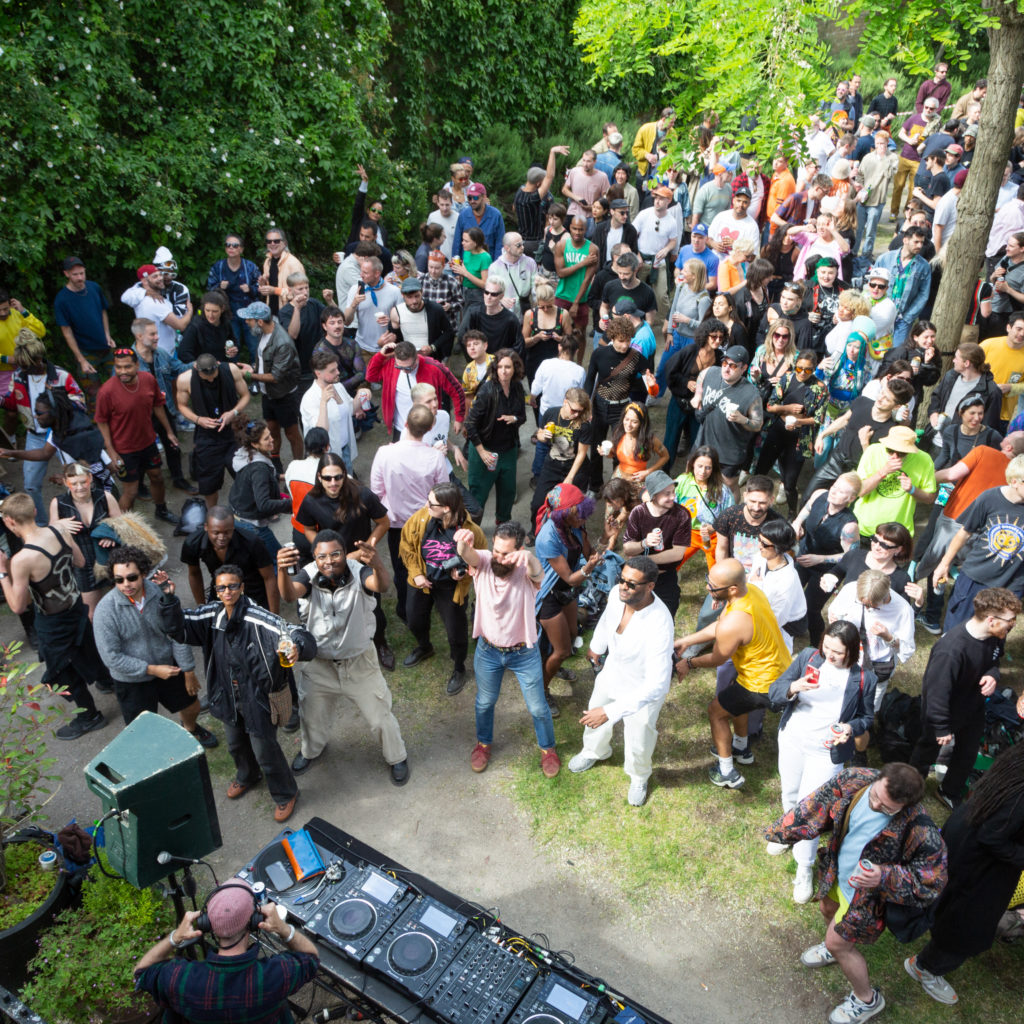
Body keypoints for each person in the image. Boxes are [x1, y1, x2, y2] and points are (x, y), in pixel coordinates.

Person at [765, 763, 946, 1024]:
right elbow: (818, 802)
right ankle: (833, 948)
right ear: (879, 777)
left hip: (866, 899)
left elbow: (932, 881)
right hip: (837, 872)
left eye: (887, 808)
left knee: (840, 943)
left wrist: (883, 876)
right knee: (826, 909)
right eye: (875, 796)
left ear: (906, 805)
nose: (875, 806)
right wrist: (783, 831)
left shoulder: (921, 830)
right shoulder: (856, 779)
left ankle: (866, 1000)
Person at [161, 562, 313, 822]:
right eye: (221, 588)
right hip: (227, 695)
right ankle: (247, 775)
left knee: (265, 750)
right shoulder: (213, 615)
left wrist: (297, 646)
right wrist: (168, 598)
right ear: (216, 591)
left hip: (258, 698)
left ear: (242, 587)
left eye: (232, 586)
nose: (227, 592)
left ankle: (286, 793)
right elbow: (179, 628)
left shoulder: (258, 617)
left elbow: (296, 633)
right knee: (235, 744)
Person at [276, 532, 409, 786]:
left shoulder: (358, 571)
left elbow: (380, 586)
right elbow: (290, 595)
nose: (329, 561)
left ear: (344, 553)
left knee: (380, 716)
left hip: (359, 662)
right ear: (314, 557)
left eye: (335, 554)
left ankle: (397, 757)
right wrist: (282, 570)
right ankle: (310, 751)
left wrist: (378, 564)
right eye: (322, 556)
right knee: (312, 715)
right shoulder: (308, 574)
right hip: (319, 665)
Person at [905, 742, 1024, 1006]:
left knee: (951, 904)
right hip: (980, 860)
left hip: (967, 835)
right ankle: (924, 967)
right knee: (967, 925)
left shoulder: (1017, 763)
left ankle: (932, 935)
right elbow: (993, 835)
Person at [767, 621, 878, 904]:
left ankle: (804, 867)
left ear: (852, 651)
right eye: (826, 647)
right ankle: (788, 832)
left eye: (837, 652)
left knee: (812, 807)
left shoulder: (863, 678)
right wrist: (794, 686)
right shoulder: (808, 657)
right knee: (790, 792)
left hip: (825, 752)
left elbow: (867, 717)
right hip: (792, 738)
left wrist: (850, 728)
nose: (829, 654)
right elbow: (775, 689)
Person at [0, 492, 112, 739]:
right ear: (35, 512)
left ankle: (89, 716)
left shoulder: (21, 559)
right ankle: (107, 682)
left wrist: (2, 572)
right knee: (87, 647)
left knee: (61, 672)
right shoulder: (59, 530)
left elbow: (18, 606)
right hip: (75, 607)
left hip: (53, 621)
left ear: (9, 522)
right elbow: (81, 562)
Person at [454, 520, 561, 778]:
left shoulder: (525, 569)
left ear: (520, 548)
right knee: (484, 702)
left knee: (537, 707)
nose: (499, 558)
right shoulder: (483, 562)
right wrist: (461, 541)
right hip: (488, 651)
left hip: (524, 653)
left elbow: (538, 573)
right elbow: (466, 553)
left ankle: (548, 749)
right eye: (497, 550)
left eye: (506, 553)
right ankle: (483, 744)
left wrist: (529, 557)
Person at [567, 555, 674, 807]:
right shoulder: (618, 592)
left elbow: (657, 684)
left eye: (631, 584)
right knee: (594, 716)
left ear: (650, 587)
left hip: (642, 689)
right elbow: (606, 620)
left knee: (639, 736)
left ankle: (639, 776)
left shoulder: (660, 623)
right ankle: (595, 751)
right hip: (612, 671)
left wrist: (611, 711)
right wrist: (596, 646)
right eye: (622, 580)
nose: (624, 586)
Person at [675, 558, 790, 789]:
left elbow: (718, 657)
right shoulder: (752, 593)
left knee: (716, 712)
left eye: (713, 586)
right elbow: (721, 624)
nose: (708, 588)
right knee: (736, 703)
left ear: (732, 588)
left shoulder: (736, 621)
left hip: (761, 684)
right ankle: (741, 748)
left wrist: (689, 662)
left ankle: (727, 772)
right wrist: (688, 640)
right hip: (776, 670)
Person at [133, 879, 319, 1021]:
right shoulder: (277, 975)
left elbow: (141, 973)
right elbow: (311, 958)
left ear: (206, 924)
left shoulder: (179, 979)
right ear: (255, 922)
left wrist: (175, 937)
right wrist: (283, 929)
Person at [93, 546, 216, 747]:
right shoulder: (105, 611)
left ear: (143, 573)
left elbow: (177, 632)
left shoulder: (160, 594)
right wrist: (150, 669)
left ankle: (191, 729)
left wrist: (188, 670)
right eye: (119, 580)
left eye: (131, 577)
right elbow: (111, 657)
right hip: (132, 679)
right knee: (141, 728)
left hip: (168, 665)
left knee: (191, 706)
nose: (126, 584)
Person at [909, 586, 1018, 814]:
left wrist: (992, 675)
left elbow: (993, 663)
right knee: (926, 751)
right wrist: (941, 727)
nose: (1013, 625)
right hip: (943, 711)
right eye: (1010, 620)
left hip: (973, 707)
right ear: (991, 620)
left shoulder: (995, 636)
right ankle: (909, 791)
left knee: (967, 752)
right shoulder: (951, 650)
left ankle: (949, 791)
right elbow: (937, 691)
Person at [398, 482, 484, 697]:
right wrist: (416, 573)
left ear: (446, 508)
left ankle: (459, 667)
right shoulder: (420, 518)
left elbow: (481, 558)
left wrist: (463, 570)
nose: (425, 504)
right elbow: (406, 544)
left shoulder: (471, 531)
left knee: (456, 632)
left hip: (449, 588)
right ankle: (425, 646)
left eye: (431, 502)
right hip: (422, 582)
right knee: (414, 619)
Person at [370, 404, 449, 626]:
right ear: (430, 428)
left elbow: (376, 491)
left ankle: (405, 607)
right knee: (426, 563)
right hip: (426, 524)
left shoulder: (385, 452)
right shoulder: (435, 457)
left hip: (396, 523)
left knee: (401, 567)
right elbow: (443, 492)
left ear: (405, 423)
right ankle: (424, 604)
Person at [1, 330, 85, 523]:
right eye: (20, 365)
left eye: (26, 365)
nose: (22, 368)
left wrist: (58, 409)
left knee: (75, 481)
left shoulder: (60, 376)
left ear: (38, 359)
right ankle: (41, 525)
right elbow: (12, 403)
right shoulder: (19, 377)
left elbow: (80, 401)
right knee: (30, 485)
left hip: (63, 434)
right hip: (35, 435)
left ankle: (79, 521)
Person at [533, 484, 600, 714]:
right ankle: (541, 691)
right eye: (578, 514)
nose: (583, 518)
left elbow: (590, 555)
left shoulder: (577, 527)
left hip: (567, 592)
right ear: (565, 514)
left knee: (571, 635)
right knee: (562, 650)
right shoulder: (547, 537)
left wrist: (609, 537)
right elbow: (571, 578)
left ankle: (553, 664)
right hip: (550, 595)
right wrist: (588, 569)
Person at [95, 348, 180, 521]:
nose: (122, 372)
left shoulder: (148, 380)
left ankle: (161, 510)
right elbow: (101, 421)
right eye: (118, 367)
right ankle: (124, 527)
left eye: (127, 367)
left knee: (157, 477)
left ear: (137, 365)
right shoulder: (106, 391)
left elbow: (158, 405)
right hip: (124, 449)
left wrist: (169, 432)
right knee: (131, 491)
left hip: (148, 443)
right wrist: (111, 451)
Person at [828, 569, 916, 722]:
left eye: (873, 607)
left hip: (876, 666)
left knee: (868, 707)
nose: (868, 609)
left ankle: (862, 730)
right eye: (863, 604)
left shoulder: (902, 610)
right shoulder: (850, 590)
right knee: (840, 699)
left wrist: (888, 637)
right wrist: (835, 620)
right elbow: (834, 611)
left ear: (885, 597)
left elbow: (907, 649)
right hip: (848, 657)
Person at [583, 317, 655, 494]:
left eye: (628, 340)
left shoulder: (635, 356)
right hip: (599, 405)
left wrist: (652, 384)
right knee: (596, 447)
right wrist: (587, 405)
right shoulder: (599, 354)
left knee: (620, 449)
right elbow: (590, 379)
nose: (625, 345)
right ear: (612, 338)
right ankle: (595, 485)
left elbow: (649, 384)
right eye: (621, 341)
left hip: (621, 409)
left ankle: (616, 485)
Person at [793, 474, 862, 645]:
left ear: (851, 498)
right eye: (835, 486)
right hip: (803, 556)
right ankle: (795, 628)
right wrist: (797, 523)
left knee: (811, 608)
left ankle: (817, 645)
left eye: (841, 491)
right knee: (792, 596)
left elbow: (851, 556)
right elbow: (807, 509)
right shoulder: (819, 494)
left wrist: (821, 559)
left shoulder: (849, 526)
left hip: (826, 571)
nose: (834, 492)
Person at [236, 300, 303, 474]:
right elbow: (265, 363)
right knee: (271, 430)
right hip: (269, 394)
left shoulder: (283, 343)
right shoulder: (264, 332)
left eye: (249, 319)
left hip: (284, 396)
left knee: (292, 433)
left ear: (259, 321)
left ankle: (299, 468)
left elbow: (275, 376)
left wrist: (249, 375)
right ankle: (276, 463)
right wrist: (252, 368)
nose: (246, 322)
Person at [176, 353, 251, 507]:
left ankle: (251, 508)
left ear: (218, 364)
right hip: (207, 436)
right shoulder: (185, 379)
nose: (210, 379)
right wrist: (198, 419)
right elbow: (181, 405)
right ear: (196, 368)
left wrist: (233, 412)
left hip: (233, 432)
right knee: (209, 483)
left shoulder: (231, 370)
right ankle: (212, 515)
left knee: (245, 474)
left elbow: (245, 396)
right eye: (206, 377)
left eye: (213, 375)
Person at [50, 461, 120, 619]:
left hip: (110, 557)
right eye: (74, 483)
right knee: (92, 612)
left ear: (90, 478)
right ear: (66, 483)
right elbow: (51, 533)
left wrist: (111, 533)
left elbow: (123, 524)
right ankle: (100, 642)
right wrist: (59, 525)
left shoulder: (105, 497)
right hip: (82, 563)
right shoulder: (58, 503)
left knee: (123, 601)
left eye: (83, 482)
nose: (79, 487)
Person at [465, 348, 527, 526]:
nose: (504, 371)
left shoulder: (517, 388)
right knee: (478, 497)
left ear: (515, 368)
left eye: (507, 367)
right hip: (484, 450)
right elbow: (470, 424)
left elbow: (523, 416)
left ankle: (503, 529)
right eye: (500, 367)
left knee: (507, 493)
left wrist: (514, 418)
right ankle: (472, 533)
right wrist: (482, 452)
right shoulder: (487, 391)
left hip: (508, 449)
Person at [692, 345, 763, 494]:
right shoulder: (712, 372)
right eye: (725, 363)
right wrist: (698, 394)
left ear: (744, 368)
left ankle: (731, 514)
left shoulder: (751, 393)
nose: (726, 368)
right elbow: (702, 375)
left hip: (730, 450)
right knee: (697, 478)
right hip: (704, 441)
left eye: (733, 366)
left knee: (728, 487)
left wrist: (743, 419)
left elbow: (757, 425)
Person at [182, 505, 278, 613]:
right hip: (220, 592)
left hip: (253, 593)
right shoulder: (193, 543)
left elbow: (269, 577)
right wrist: (202, 608)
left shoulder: (252, 542)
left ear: (233, 527)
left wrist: (274, 616)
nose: (222, 537)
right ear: (206, 527)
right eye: (216, 533)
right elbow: (194, 574)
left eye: (227, 532)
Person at [621, 469, 691, 618]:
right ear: (654, 495)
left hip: (664, 578)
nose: (673, 497)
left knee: (665, 619)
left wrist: (645, 561)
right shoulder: (638, 513)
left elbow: (678, 553)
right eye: (667, 493)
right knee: (631, 618)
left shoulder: (682, 515)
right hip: (638, 576)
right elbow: (628, 549)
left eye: (673, 492)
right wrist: (644, 543)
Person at [364, 339, 465, 440]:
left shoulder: (433, 367)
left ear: (416, 358)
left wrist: (459, 418)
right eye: (399, 367)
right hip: (401, 427)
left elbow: (457, 390)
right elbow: (371, 377)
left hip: (428, 427)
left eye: (408, 368)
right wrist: (380, 355)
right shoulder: (391, 364)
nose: (404, 371)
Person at [52, 256, 115, 411]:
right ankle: (98, 428)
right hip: (86, 352)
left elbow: (103, 311)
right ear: (66, 274)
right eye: (75, 275)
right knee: (94, 393)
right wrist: (81, 359)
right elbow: (66, 331)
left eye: (82, 273)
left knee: (120, 382)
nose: (80, 278)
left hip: (105, 346)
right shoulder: (61, 300)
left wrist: (108, 335)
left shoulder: (94, 287)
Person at [853, 424, 937, 539]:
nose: (895, 456)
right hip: (863, 528)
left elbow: (930, 498)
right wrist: (883, 472)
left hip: (896, 533)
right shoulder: (873, 451)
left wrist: (912, 489)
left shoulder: (924, 460)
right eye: (890, 450)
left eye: (902, 453)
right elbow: (860, 492)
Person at [529, 388, 592, 532]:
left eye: (580, 411)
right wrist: (542, 435)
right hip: (552, 464)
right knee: (537, 503)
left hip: (575, 468)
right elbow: (539, 433)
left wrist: (570, 477)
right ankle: (535, 530)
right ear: (565, 402)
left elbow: (582, 454)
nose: (577, 414)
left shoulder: (584, 424)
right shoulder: (551, 413)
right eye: (574, 410)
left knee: (575, 509)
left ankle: (575, 535)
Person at [228, 419, 292, 554]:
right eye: (266, 438)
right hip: (251, 523)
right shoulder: (259, 469)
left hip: (238, 515)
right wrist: (291, 504)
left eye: (270, 435)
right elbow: (263, 504)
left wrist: (282, 476)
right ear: (254, 444)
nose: (272, 440)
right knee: (278, 559)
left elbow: (256, 479)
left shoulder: (246, 455)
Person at [674, 445, 735, 569]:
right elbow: (671, 506)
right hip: (687, 533)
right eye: (699, 466)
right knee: (673, 562)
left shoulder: (723, 491)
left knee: (717, 569)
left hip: (712, 536)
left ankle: (715, 587)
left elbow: (730, 516)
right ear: (692, 464)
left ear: (714, 469)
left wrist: (714, 527)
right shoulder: (682, 481)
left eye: (708, 468)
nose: (702, 472)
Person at [299, 349, 357, 470]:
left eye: (337, 368)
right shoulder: (310, 398)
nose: (338, 372)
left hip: (345, 449)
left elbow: (350, 410)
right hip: (327, 457)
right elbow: (320, 433)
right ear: (318, 373)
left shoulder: (338, 386)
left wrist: (362, 396)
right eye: (332, 371)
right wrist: (323, 403)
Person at [206, 233, 262, 349]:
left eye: (235, 245)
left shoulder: (250, 267)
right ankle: (233, 367)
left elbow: (261, 289)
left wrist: (250, 289)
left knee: (254, 346)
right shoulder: (218, 267)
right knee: (231, 347)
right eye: (228, 245)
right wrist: (219, 287)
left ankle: (256, 366)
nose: (231, 247)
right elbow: (209, 290)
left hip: (249, 312)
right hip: (228, 313)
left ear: (241, 249)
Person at [982, 312, 1024, 428]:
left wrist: (1011, 388)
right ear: (1008, 327)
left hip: (1002, 414)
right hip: (976, 406)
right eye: (1019, 329)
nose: (1022, 334)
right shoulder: (988, 345)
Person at [178, 290, 238, 364]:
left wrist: (233, 349)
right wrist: (202, 366)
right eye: (207, 310)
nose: (210, 315)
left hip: (222, 366)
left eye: (215, 311)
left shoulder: (226, 323)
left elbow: (233, 341)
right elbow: (183, 353)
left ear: (222, 309)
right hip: (202, 369)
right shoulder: (195, 326)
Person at [257, 227, 305, 318]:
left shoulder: (293, 264)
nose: (272, 244)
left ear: (285, 243)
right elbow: (270, 288)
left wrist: (275, 290)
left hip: (290, 314)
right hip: (271, 313)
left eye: (276, 241)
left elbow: (302, 293)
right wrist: (263, 285)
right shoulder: (267, 261)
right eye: (269, 241)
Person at [451, 183, 506, 261]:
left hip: (488, 263)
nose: (472, 201)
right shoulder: (463, 215)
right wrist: (455, 265)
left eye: (476, 197)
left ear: (484, 197)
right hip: (467, 264)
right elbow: (457, 242)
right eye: (469, 198)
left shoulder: (496, 215)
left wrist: (497, 266)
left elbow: (500, 243)